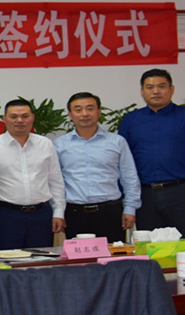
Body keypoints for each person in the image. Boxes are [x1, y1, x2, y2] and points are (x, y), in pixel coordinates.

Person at [54, 92, 141, 242]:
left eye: (90, 108)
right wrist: (58, 213)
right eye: (78, 110)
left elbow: (129, 177)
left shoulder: (117, 142)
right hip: (75, 213)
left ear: (99, 112)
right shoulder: (59, 145)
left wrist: (130, 209)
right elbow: (56, 182)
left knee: (112, 255)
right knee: (79, 256)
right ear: (70, 115)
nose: (85, 114)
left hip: (110, 212)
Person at [0, 99, 65, 250]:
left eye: (25, 116)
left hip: (41, 215)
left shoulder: (45, 144)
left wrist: (58, 212)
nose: (20, 120)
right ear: (4, 118)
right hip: (5, 215)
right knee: (7, 260)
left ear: (32, 117)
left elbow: (55, 181)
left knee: (42, 260)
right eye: (14, 116)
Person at [119, 68, 185, 234]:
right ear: (142, 91)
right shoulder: (130, 120)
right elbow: (121, 160)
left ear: (171, 89)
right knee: (150, 243)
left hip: (180, 192)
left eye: (161, 86)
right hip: (145, 195)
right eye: (149, 87)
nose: (155, 91)